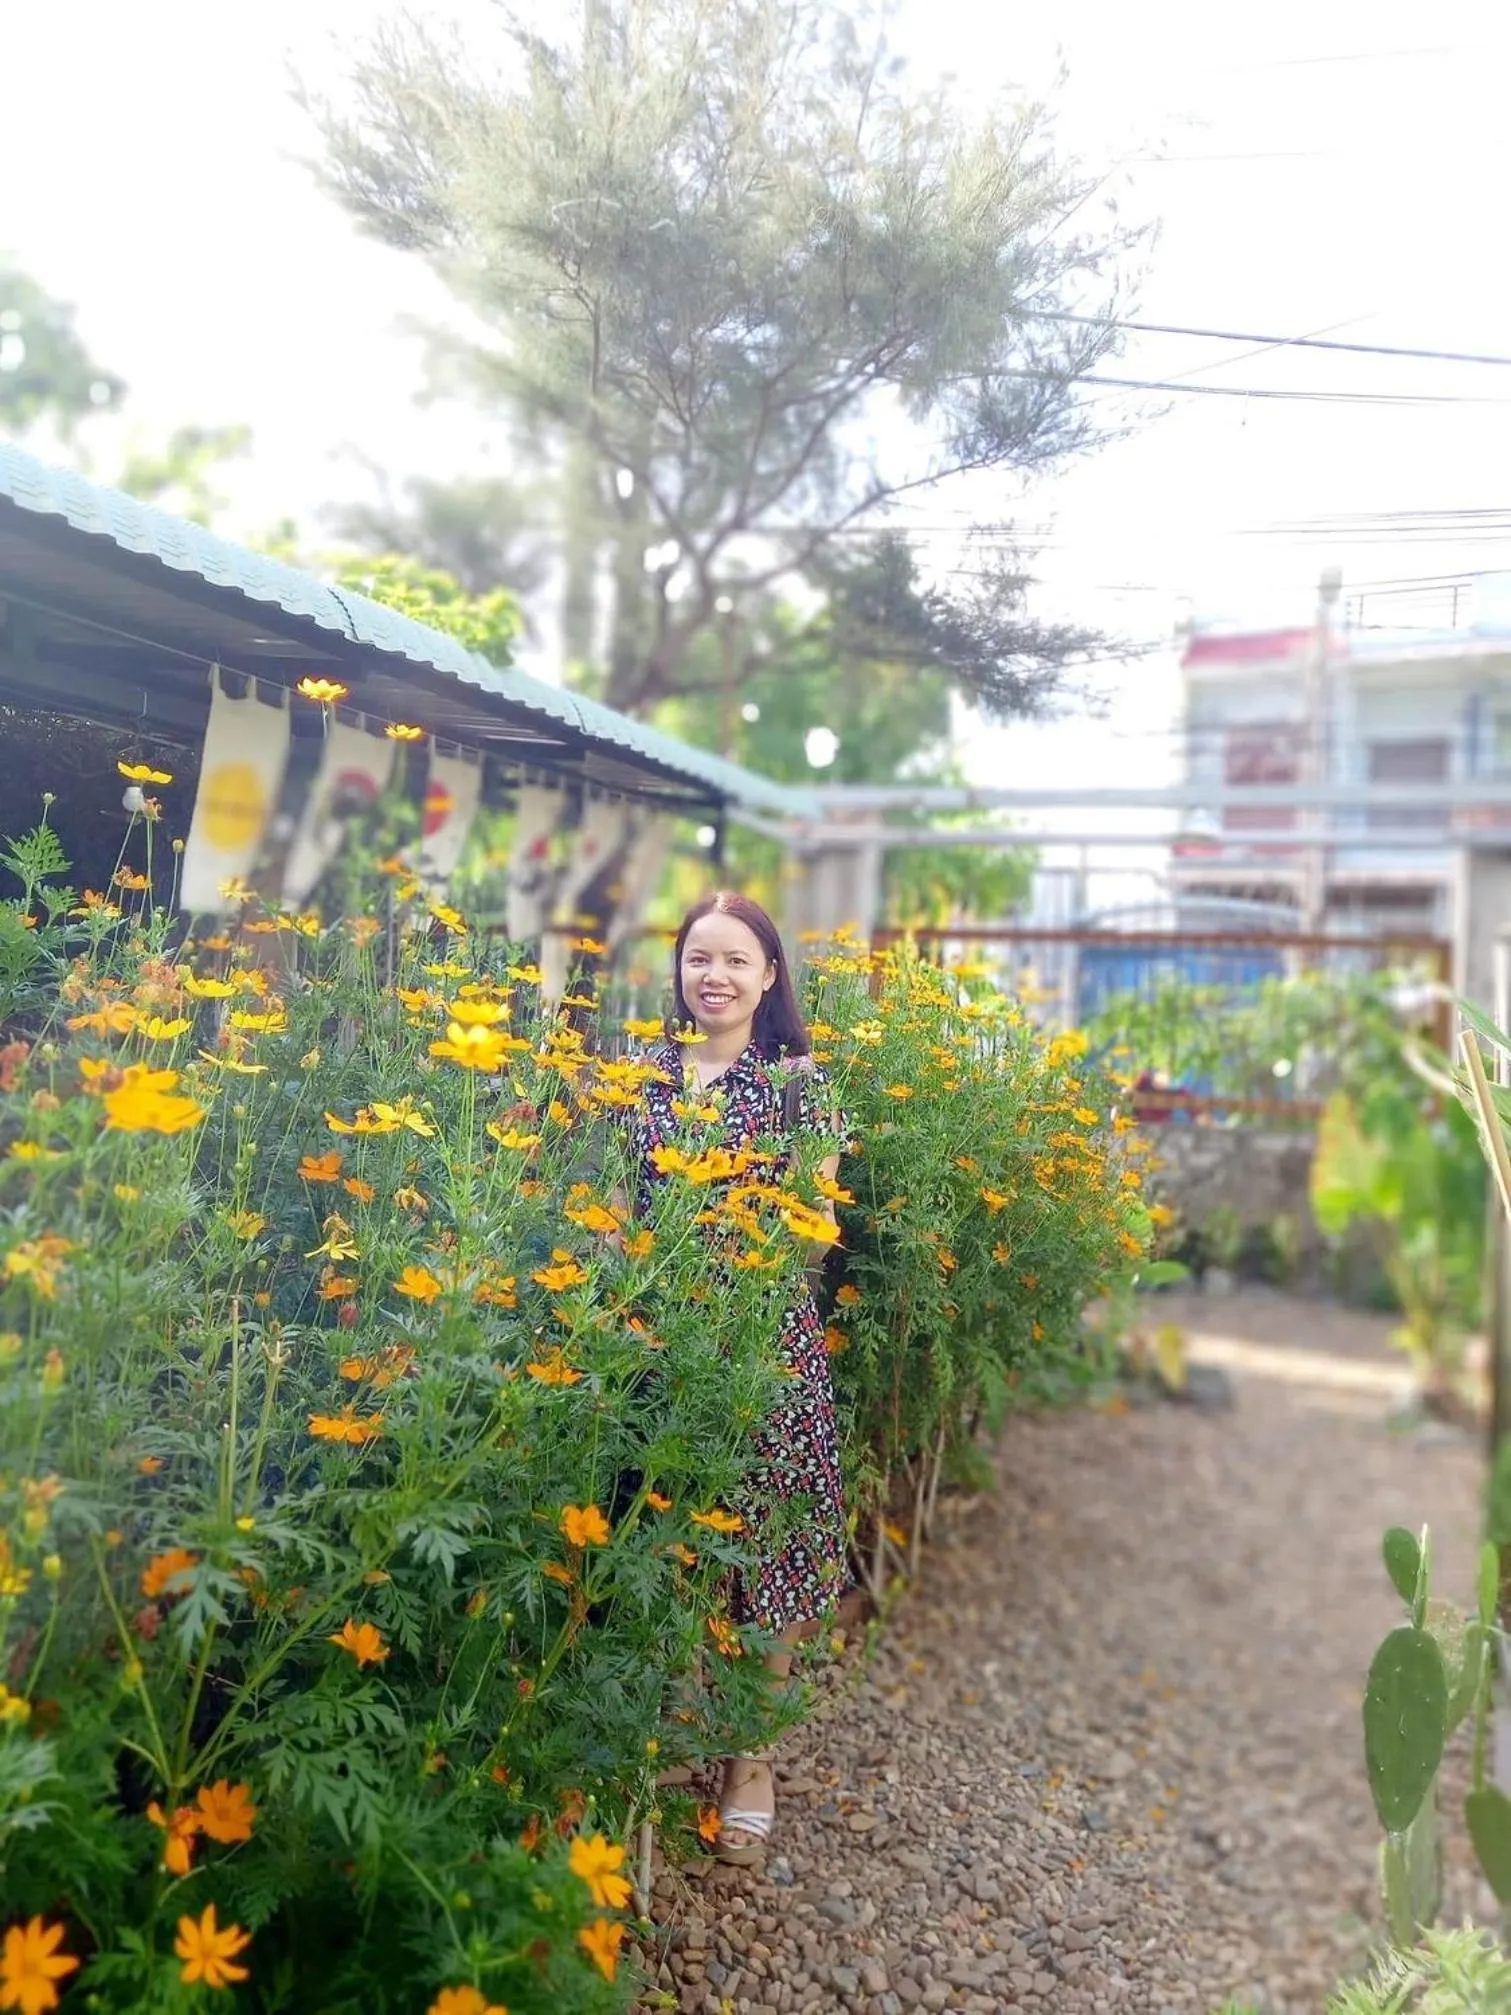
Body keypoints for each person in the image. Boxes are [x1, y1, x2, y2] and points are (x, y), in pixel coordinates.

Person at [624, 891, 848, 1864]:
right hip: (653, 1340)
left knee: (769, 1549)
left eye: (734, 959)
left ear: (767, 976)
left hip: (761, 1345)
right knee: (661, 1539)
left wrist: (734, 1285)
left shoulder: (802, 1085)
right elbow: (610, 1197)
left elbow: (817, 1226)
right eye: (696, 957)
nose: (711, 974)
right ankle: (659, 1737)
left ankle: (748, 1761)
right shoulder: (639, 1076)